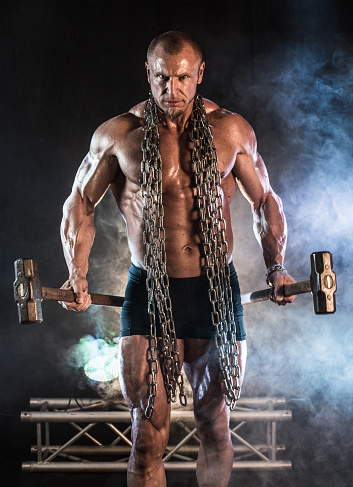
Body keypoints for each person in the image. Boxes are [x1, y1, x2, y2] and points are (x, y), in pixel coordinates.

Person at [60, 31, 295, 487]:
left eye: (184, 78)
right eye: (163, 78)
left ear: (199, 74)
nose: (173, 90)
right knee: (147, 435)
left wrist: (277, 266)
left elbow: (264, 200)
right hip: (150, 289)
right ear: (148, 75)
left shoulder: (230, 130)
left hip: (215, 288)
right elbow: (79, 204)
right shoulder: (119, 135)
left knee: (215, 425)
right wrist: (77, 272)